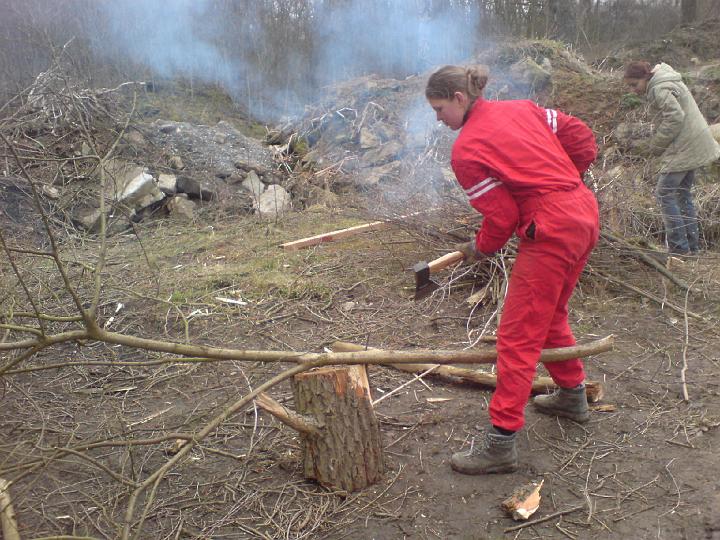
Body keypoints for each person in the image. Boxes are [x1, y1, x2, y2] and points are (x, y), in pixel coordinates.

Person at [425, 65, 599, 474]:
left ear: (459, 98)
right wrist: (567, 180)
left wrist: (481, 247)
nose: (437, 118)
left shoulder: (466, 149)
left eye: (438, 109)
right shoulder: (524, 108)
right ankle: (572, 395)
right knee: (551, 313)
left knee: (517, 337)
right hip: (584, 213)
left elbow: (501, 217)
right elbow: (581, 137)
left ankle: (501, 443)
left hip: (552, 229)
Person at [624, 61, 720, 255]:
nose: (633, 90)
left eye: (634, 85)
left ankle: (679, 249)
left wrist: (656, 145)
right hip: (696, 140)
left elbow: (675, 117)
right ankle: (692, 248)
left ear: (646, 77)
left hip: (685, 146)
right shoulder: (667, 80)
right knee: (682, 193)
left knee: (664, 193)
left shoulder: (659, 88)